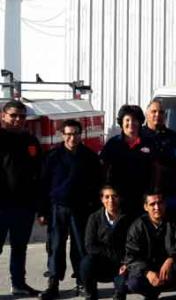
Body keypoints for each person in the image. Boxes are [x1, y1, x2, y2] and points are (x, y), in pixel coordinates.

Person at [38, 119, 101, 300]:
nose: (72, 138)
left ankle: (83, 283)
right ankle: (53, 284)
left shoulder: (90, 158)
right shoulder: (52, 157)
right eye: (68, 134)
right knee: (55, 246)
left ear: (81, 135)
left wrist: (95, 212)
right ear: (62, 135)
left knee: (81, 247)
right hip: (58, 209)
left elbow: (97, 185)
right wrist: (42, 211)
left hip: (82, 209)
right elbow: (43, 186)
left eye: (75, 134)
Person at [0, 100, 43, 295]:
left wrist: (39, 206)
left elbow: (39, 174)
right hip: (0, 206)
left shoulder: (31, 141)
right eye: (13, 115)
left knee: (19, 248)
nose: (18, 120)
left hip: (24, 206)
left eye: (22, 116)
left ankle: (18, 284)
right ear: (3, 116)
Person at [124, 192, 176, 300]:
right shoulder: (137, 226)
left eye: (160, 203)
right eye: (152, 204)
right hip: (149, 267)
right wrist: (147, 272)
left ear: (165, 204)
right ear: (145, 207)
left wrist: (171, 259)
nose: (157, 207)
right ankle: (151, 294)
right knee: (133, 282)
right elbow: (131, 255)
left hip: (171, 265)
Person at [101, 105, 157, 216]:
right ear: (121, 122)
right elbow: (103, 168)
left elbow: (156, 168)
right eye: (127, 120)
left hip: (142, 196)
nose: (131, 123)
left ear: (140, 122)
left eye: (135, 120)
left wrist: (154, 189)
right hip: (118, 197)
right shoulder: (113, 144)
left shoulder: (149, 143)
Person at [80, 186, 130, 300]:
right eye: (107, 197)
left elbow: (132, 244)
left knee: (123, 287)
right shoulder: (94, 218)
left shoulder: (128, 218)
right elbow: (90, 245)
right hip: (102, 262)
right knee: (86, 263)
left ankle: (119, 292)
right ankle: (90, 292)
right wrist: (112, 255)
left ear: (119, 198)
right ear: (102, 199)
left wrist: (126, 262)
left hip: (122, 264)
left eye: (114, 196)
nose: (111, 200)